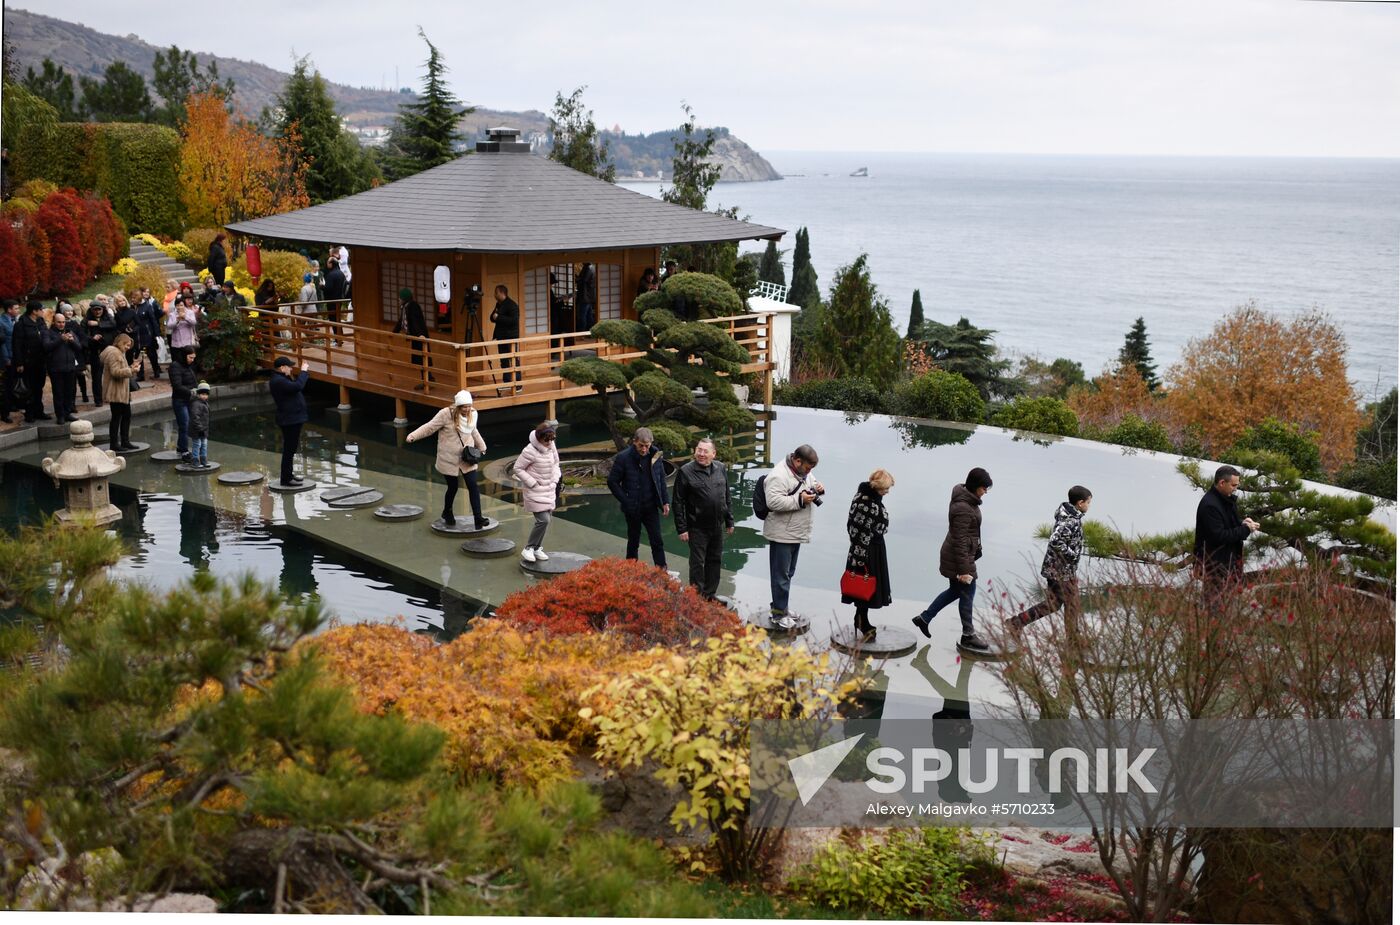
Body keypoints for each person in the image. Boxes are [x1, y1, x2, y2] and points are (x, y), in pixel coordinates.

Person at [912, 467, 994, 654]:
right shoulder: (963, 508)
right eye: (984, 488)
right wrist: (964, 570)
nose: (986, 492)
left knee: (956, 591)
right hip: (959, 558)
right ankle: (968, 635)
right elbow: (960, 541)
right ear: (974, 486)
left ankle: (924, 618)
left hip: (962, 555)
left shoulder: (967, 500)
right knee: (967, 592)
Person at [1009, 486, 1092, 632]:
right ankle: (1017, 622)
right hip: (1058, 571)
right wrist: (1072, 555)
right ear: (1080, 503)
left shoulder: (1072, 517)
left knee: (1071, 604)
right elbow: (1055, 541)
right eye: (1088, 502)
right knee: (1055, 604)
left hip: (1066, 571)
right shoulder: (1069, 520)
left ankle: (1073, 638)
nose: (1089, 505)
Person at [407, 390, 488, 529]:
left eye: (469, 406)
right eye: (464, 407)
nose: (467, 409)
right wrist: (413, 435)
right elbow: (430, 427)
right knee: (453, 487)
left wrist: (482, 446)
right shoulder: (445, 414)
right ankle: (447, 512)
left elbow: (473, 430)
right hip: (448, 458)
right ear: (457, 406)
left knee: (473, 485)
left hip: (467, 457)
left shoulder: (472, 414)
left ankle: (478, 518)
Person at [763, 445, 824, 624]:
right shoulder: (778, 475)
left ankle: (781, 607)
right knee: (780, 575)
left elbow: (809, 483)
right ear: (797, 461)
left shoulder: (802, 471)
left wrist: (818, 487)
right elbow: (773, 501)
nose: (810, 471)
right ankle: (778, 615)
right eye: (808, 467)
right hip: (781, 533)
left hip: (795, 531)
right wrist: (800, 500)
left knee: (788, 573)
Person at [673, 437, 734, 599]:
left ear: (713, 454)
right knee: (697, 564)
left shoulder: (721, 468)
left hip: (717, 526)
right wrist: (682, 528)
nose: (701, 454)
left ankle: (710, 594)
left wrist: (729, 520)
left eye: (705, 451)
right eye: (698, 450)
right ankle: (697, 598)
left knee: (715, 561)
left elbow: (726, 495)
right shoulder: (686, 471)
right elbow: (678, 502)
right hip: (697, 527)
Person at [1193, 465, 1260, 605]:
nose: (1236, 488)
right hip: (1216, 565)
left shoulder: (1226, 499)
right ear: (1222, 483)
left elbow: (1227, 525)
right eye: (1233, 485)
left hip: (1229, 563)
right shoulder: (1210, 505)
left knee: (1227, 604)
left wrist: (1243, 523)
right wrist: (1246, 529)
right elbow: (1220, 535)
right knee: (1215, 606)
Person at [606, 427, 671, 569]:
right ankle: (631, 570)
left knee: (657, 540)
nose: (644, 449)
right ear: (634, 442)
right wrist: (626, 500)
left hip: (651, 506)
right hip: (633, 507)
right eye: (641, 445)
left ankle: (661, 571)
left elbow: (661, 480)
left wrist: (665, 501)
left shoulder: (656, 456)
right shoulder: (623, 457)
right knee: (633, 540)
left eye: (647, 446)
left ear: (651, 443)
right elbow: (612, 482)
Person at [844, 469, 895, 640]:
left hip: (874, 547)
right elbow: (856, 529)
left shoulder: (871, 498)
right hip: (867, 551)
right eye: (885, 488)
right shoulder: (864, 502)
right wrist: (861, 557)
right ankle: (861, 621)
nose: (887, 492)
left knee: (866, 588)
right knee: (864, 587)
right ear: (877, 487)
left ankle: (862, 619)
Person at [512, 422, 561, 563]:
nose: (550, 442)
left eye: (552, 439)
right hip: (535, 491)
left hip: (549, 488)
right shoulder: (529, 450)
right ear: (539, 438)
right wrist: (532, 482)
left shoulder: (551, 446)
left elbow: (556, 464)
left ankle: (536, 547)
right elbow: (518, 468)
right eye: (547, 439)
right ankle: (528, 548)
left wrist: (555, 480)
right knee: (543, 520)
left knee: (547, 520)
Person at [269, 356, 311, 485]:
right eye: (289, 367)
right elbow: (297, 386)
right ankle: (286, 479)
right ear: (282, 368)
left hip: (293, 418)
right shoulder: (278, 380)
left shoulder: (281, 378)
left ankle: (289, 475)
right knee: (289, 450)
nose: (291, 369)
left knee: (291, 449)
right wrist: (304, 371)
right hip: (289, 419)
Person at [42, 309, 86, 423]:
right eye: (59, 322)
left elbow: (79, 347)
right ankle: (60, 415)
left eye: (63, 322)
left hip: (70, 367)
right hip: (56, 368)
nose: (61, 324)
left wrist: (71, 341)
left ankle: (67, 413)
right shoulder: (48, 333)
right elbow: (46, 347)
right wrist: (60, 339)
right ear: (54, 322)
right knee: (58, 393)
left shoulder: (69, 331)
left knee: (69, 392)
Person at [100, 333, 142, 451]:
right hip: (116, 391)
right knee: (117, 417)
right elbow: (115, 372)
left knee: (125, 415)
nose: (128, 347)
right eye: (127, 345)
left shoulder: (118, 352)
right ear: (121, 343)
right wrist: (131, 370)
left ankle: (124, 441)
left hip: (121, 390)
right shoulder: (114, 353)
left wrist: (130, 367)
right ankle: (115, 443)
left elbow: (119, 369)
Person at [15, 301, 51, 422]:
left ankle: (39, 411)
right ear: (34, 311)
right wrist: (19, 363)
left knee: (39, 387)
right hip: (28, 361)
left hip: (40, 360)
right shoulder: (21, 324)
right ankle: (29, 413)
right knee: (29, 388)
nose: (43, 311)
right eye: (41, 309)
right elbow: (17, 345)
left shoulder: (40, 322)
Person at [83, 299, 118, 406]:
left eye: (99, 309)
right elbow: (83, 336)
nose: (98, 312)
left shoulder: (108, 318)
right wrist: (92, 338)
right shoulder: (86, 321)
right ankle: (98, 400)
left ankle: (112, 396)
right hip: (95, 351)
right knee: (97, 378)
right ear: (92, 310)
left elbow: (113, 324)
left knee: (112, 375)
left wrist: (98, 323)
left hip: (108, 350)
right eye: (95, 310)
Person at [393, 286, 430, 386]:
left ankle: (427, 381)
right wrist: (393, 332)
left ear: (404, 299)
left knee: (423, 358)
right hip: (416, 336)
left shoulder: (413, 307)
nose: (398, 300)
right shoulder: (406, 307)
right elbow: (401, 321)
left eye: (400, 298)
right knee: (420, 359)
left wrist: (420, 335)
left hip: (420, 336)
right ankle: (426, 381)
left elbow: (415, 322)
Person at [168, 347, 197, 461]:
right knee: (184, 424)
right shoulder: (175, 366)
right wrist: (191, 391)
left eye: (193, 358)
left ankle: (181, 447)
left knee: (187, 425)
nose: (192, 360)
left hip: (190, 399)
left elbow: (192, 381)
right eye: (190, 357)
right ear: (184, 355)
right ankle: (184, 451)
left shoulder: (188, 366)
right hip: (180, 400)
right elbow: (177, 385)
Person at [490, 284, 521, 390]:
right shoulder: (499, 304)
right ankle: (507, 383)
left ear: (502, 293)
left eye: (496, 292)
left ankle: (518, 384)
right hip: (501, 336)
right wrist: (496, 317)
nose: (494, 294)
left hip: (510, 336)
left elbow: (513, 320)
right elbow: (492, 317)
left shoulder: (512, 305)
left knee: (513, 359)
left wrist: (499, 317)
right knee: (503, 360)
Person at [133, 287, 163, 380]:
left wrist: (156, 334)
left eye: (134, 298)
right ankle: (140, 375)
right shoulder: (133, 307)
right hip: (137, 335)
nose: (133, 299)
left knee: (151, 353)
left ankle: (156, 370)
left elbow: (153, 320)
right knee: (139, 354)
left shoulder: (147, 306)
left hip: (147, 333)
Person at [0, 299, 19, 424]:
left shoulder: (15, 320)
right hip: (6, 359)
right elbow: (1, 343)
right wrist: (6, 358)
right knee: (5, 387)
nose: (18, 310)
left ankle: (13, 405)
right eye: (16, 308)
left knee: (13, 384)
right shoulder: (1, 323)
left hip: (16, 357)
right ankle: (4, 413)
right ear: (9, 309)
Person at [322, 257, 347, 339]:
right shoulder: (341, 273)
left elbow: (328, 288)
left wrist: (321, 286)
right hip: (339, 299)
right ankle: (340, 337)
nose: (327, 264)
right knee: (338, 318)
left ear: (331, 264)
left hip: (332, 300)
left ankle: (337, 338)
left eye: (328, 262)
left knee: (333, 319)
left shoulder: (331, 275)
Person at [190, 382, 213, 468]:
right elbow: (195, 417)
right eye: (202, 394)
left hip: (204, 429)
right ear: (198, 394)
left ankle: (203, 459)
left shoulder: (205, 403)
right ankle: (195, 460)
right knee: (197, 444)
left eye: (206, 394)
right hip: (197, 429)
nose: (204, 396)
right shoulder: (196, 404)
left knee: (204, 444)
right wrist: (200, 428)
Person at [575, 262, 596, 332]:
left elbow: (584, 280)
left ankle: (582, 333)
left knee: (582, 316)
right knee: (589, 316)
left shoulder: (588, 269)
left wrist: (576, 278)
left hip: (585, 297)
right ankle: (591, 332)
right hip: (589, 296)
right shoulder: (592, 268)